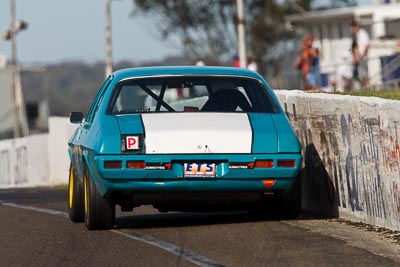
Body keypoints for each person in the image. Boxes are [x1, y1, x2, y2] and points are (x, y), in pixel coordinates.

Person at [350, 20, 370, 88]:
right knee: (360, 75)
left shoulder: (363, 34)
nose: (352, 30)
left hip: (362, 58)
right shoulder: (358, 34)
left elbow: (366, 45)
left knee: (364, 74)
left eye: (352, 28)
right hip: (360, 58)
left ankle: (367, 88)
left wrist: (361, 56)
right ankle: (364, 87)